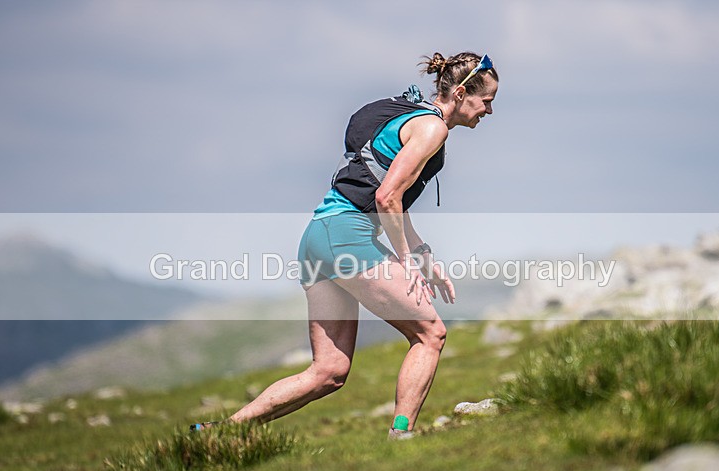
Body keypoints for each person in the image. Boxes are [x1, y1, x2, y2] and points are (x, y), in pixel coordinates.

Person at [191, 51, 498, 439]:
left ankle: (218, 433)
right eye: (486, 100)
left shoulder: (412, 115)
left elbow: (394, 201)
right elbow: (387, 197)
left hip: (319, 237)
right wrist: (407, 261)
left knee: (329, 371)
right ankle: (400, 434)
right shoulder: (432, 128)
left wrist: (423, 256)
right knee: (430, 334)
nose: (489, 110)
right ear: (460, 94)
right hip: (348, 236)